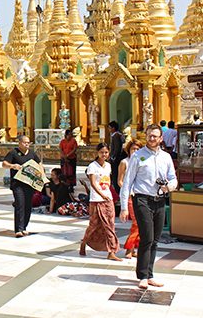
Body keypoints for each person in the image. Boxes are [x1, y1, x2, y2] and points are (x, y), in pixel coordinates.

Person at [120, 124, 177, 289]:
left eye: (155, 136)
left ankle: (150, 274)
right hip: (142, 199)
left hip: (159, 199)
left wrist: (169, 186)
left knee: (156, 239)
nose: (152, 139)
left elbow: (173, 178)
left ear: (161, 138)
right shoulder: (138, 156)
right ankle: (143, 276)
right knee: (147, 237)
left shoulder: (166, 157)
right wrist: (124, 207)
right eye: (149, 135)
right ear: (146, 136)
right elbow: (127, 183)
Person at [80, 142, 121, 261]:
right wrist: (102, 195)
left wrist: (109, 195)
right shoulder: (92, 166)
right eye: (102, 152)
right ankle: (84, 242)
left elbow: (108, 182)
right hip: (96, 200)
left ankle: (111, 251)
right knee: (94, 225)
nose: (104, 154)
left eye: (106, 152)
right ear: (97, 153)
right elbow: (93, 183)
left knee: (110, 224)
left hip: (108, 198)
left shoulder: (108, 166)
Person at [2, 135, 41, 238]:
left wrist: (41, 172)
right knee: (20, 204)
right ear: (19, 143)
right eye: (25, 142)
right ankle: (18, 229)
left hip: (29, 184)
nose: (27, 144)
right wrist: (13, 166)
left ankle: (24, 227)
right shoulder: (13, 153)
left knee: (28, 205)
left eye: (28, 143)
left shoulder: (32, 153)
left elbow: (39, 163)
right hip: (17, 184)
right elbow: (4, 164)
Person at [118, 139, 143, 259]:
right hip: (129, 196)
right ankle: (129, 248)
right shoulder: (124, 162)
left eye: (138, 149)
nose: (135, 151)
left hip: (141, 195)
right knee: (136, 222)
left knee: (140, 224)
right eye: (133, 149)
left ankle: (133, 248)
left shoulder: (142, 161)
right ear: (128, 150)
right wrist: (127, 188)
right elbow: (120, 181)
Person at [108, 121, 125, 192]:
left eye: (109, 128)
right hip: (116, 159)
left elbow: (117, 148)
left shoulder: (116, 136)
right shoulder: (116, 135)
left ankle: (117, 191)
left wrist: (113, 157)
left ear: (113, 128)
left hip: (116, 160)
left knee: (115, 175)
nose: (109, 129)